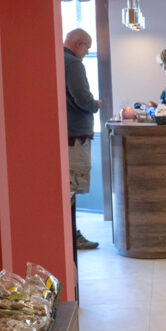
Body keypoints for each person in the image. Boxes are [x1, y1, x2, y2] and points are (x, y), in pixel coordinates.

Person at [63, 28, 103, 250]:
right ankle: (71, 235)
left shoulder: (57, 58)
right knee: (72, 188)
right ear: (79, 44)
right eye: (87, 47)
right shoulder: (73, 64)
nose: (87, 52)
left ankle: (70, 233)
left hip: (67, 133)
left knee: (68, 189)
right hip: (75, 136)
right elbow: (81, 97)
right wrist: (94, 104)